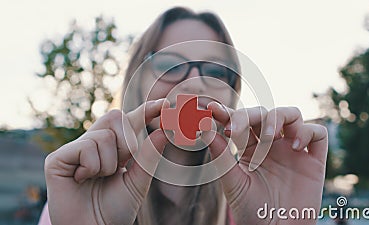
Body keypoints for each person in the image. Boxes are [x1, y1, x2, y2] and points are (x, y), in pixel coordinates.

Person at [38, 6, 328, 225]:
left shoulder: (259, 200)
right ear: (136, 81)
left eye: (215, 71)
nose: (193, 83)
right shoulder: (77, 197)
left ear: (232, 93)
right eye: (168, 64)